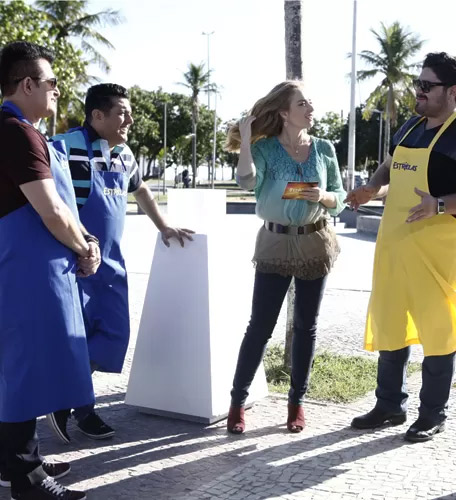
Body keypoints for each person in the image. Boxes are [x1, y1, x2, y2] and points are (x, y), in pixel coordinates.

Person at [347, 52, 456, 442]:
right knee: (391, 322)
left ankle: (432, 413)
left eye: (427, 86)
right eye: (418, 83)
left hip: (441, 249)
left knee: (438, 330)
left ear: (452, 91)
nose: (419, 91)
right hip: (396, 244)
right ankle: (388, 405)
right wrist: (371, 187)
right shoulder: (410, 127)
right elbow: (388, 165)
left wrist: (440, 204)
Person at [46, 83, 194, 444]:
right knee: (72, 340)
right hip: (75, 263)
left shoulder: (125, 154)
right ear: (97, 115)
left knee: (114, 336)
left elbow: (139, 189)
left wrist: (163, 225)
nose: (129, 119)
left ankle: (67, 399)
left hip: (111, 265)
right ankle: (79, 407)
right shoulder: (65, 148)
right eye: (121, 112)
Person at [0, 41, 99, 500]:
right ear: (26, 84)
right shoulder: (15, 133)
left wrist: (84, 242)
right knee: (23, 371)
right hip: (23, 270)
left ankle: (17, 462)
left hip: (33, 266)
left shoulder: (25, 132)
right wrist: (84, 247)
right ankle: (27, 479)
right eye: (52, 83)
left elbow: (61, 206)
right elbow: (51, 210)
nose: (58, 91)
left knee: (18, 367)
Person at [224, 81, 346, 434]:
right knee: (260, 327)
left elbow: (338, 195)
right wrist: (247, 141)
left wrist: (322, 196)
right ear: (284, 113)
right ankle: (237, 403)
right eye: (303, 104)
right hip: (275, 243)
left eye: (311, 104)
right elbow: (246, 183)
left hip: (314, 242)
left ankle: (297, 404)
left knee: (306, 327)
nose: (311, 110)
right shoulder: (264, 150)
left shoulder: (324, 148)